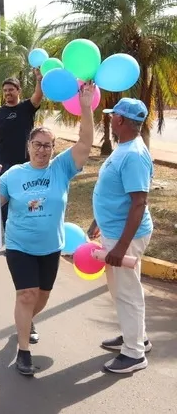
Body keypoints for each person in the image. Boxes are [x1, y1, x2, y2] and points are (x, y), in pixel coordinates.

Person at [0, 83, 95, 375]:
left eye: (47, 145)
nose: (42, 150)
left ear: (54, 149)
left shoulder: (61, 168)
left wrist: (87, 106)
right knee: (26, 294)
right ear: (28, 146)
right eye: (37, 144)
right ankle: (24, 351)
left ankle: (26, 322)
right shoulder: (13, 175)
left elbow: (86, 142)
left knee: (41, 297)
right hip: (19, 245)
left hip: (51, 247)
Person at [88, 98, 154, 374]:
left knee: (127, 292)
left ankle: (135, 353)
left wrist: (122, 248)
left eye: (113, 115)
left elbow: (139, 202)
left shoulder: (134, 155)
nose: (111, 119)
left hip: (126, 237)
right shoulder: (124, 148)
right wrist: (97, 220)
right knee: (120, 289)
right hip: (114, 231)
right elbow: (114, 192)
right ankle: (135, 336)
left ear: (121, 121)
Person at [0, 71, 44, 229]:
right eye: (5, 90)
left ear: (18, 90)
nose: (8, 93)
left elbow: (38, 96)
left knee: (27, 200)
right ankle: (9, 234)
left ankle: (28, 230)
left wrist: (39, 79)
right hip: (4, 165)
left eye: (11, 90)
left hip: (25, 163)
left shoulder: (26, 108)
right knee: (5, 203)